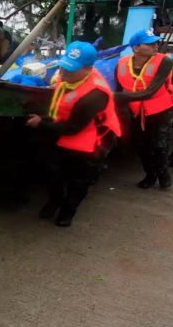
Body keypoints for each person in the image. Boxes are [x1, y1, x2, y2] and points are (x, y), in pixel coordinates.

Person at [26, 41, 121, 227]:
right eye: (64, 67)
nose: (63, 73)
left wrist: (40, 123)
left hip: (90, 139)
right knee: (52, 172)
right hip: (62, 130)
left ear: (88, 68)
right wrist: (45, 117)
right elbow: (60, 107)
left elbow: (73, 128)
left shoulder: (95, 95)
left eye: (70, 70)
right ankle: (55, 200)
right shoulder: (66, 76)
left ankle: (68, 211)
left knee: (79, 179)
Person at [114, 29, 173, 188]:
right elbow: (118, 86)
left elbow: (150, 92)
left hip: (160, 109)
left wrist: (117, 97)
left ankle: (164, 176)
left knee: (160, 145)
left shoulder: (165, 62)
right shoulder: (121, 62)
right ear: (136, 48)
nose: (155, 46)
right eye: (150, 44)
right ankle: (150, 174)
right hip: (136, 110)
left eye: (156, 42)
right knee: (141, 145)